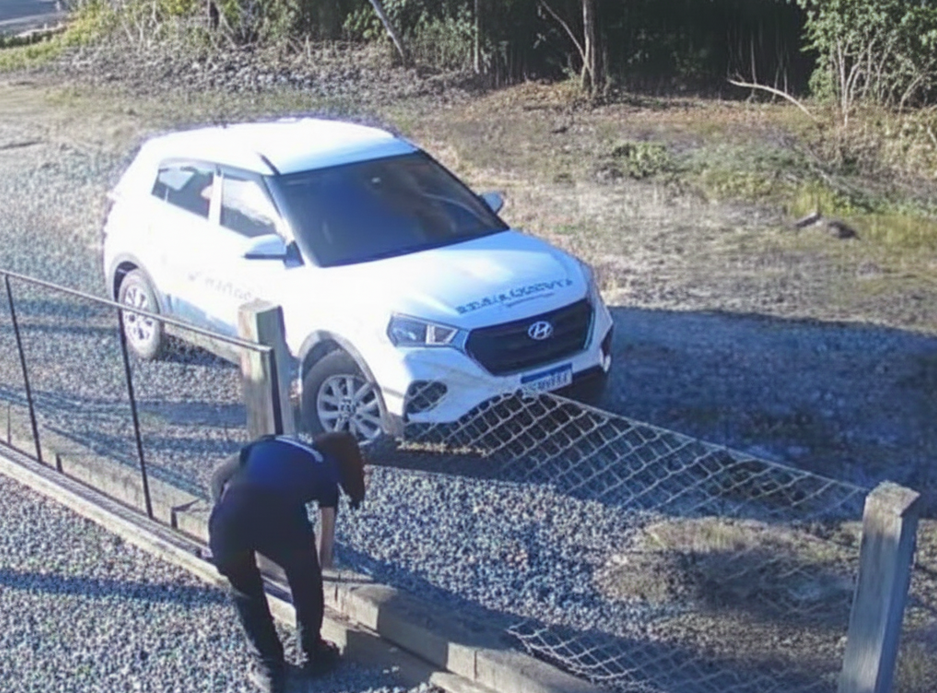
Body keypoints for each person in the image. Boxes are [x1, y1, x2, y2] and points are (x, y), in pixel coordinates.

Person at [207, 431, 367, 693]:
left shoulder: (271, 442)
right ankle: (313, 653)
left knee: (246, 592)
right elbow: (324, 554)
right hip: (281, 522)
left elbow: (217, 477)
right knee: (306, 581)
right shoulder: (324, 470)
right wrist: (304, 567)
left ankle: (270, 671)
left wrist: (228, 517)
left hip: (227, 524)